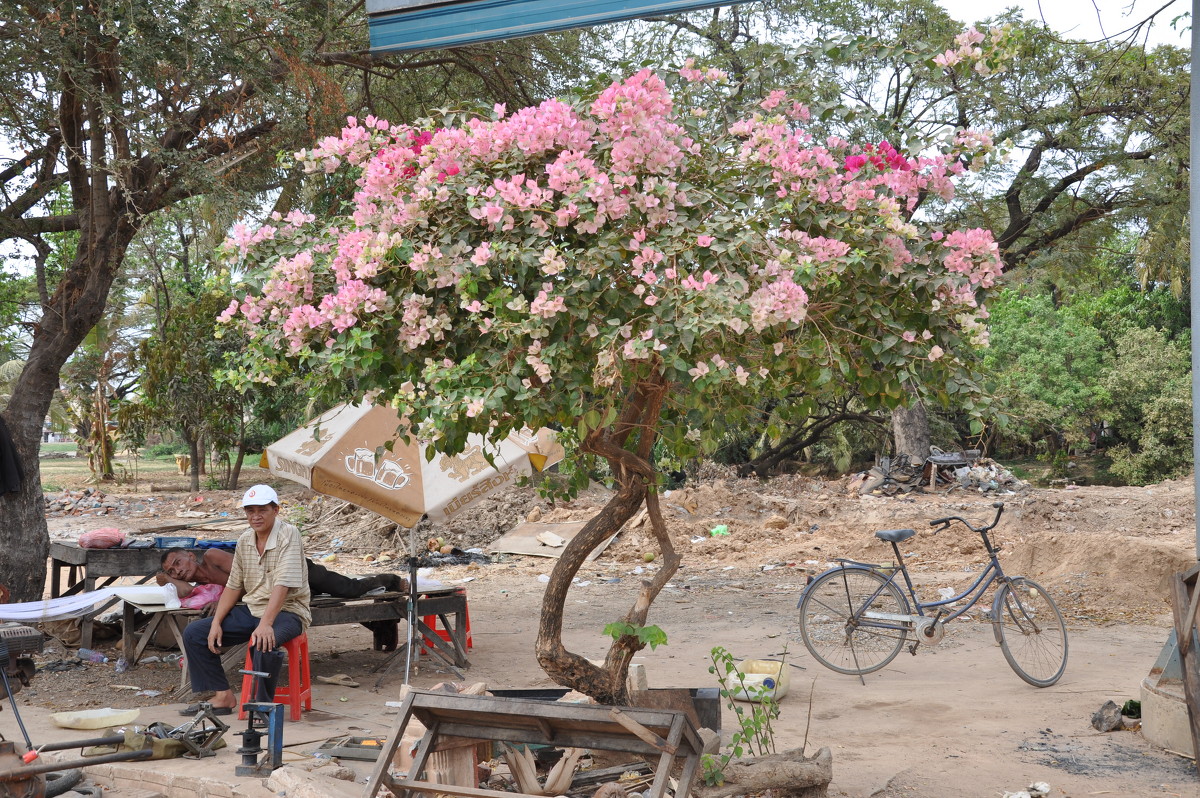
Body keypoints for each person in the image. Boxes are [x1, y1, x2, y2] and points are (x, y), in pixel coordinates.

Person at [179, 484, 310, 715]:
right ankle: (223, 696)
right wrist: (217, 622)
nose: (256, 516)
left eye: (262, 510)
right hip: (254, 610)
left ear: (276, 510)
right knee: (196, 633)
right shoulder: (245, 540)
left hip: (288, 612)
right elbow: (233, 585)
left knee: (264, 641)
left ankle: (262, 705)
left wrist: (266, 623)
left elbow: (283, 584)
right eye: (250, 511)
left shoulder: (288, 534)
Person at [156, 547, 407, 604]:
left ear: (190, 554)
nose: (178, 570)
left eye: (178, 562)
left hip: (289, 569)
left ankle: (388, 579)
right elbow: (185, 592)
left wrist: (226, 602)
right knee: (324, 597)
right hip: (282, 590)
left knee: (348, 590)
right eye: (173, 570)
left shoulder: (212, 557)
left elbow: (249, 578)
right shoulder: (200, 585)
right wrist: (167, 579)